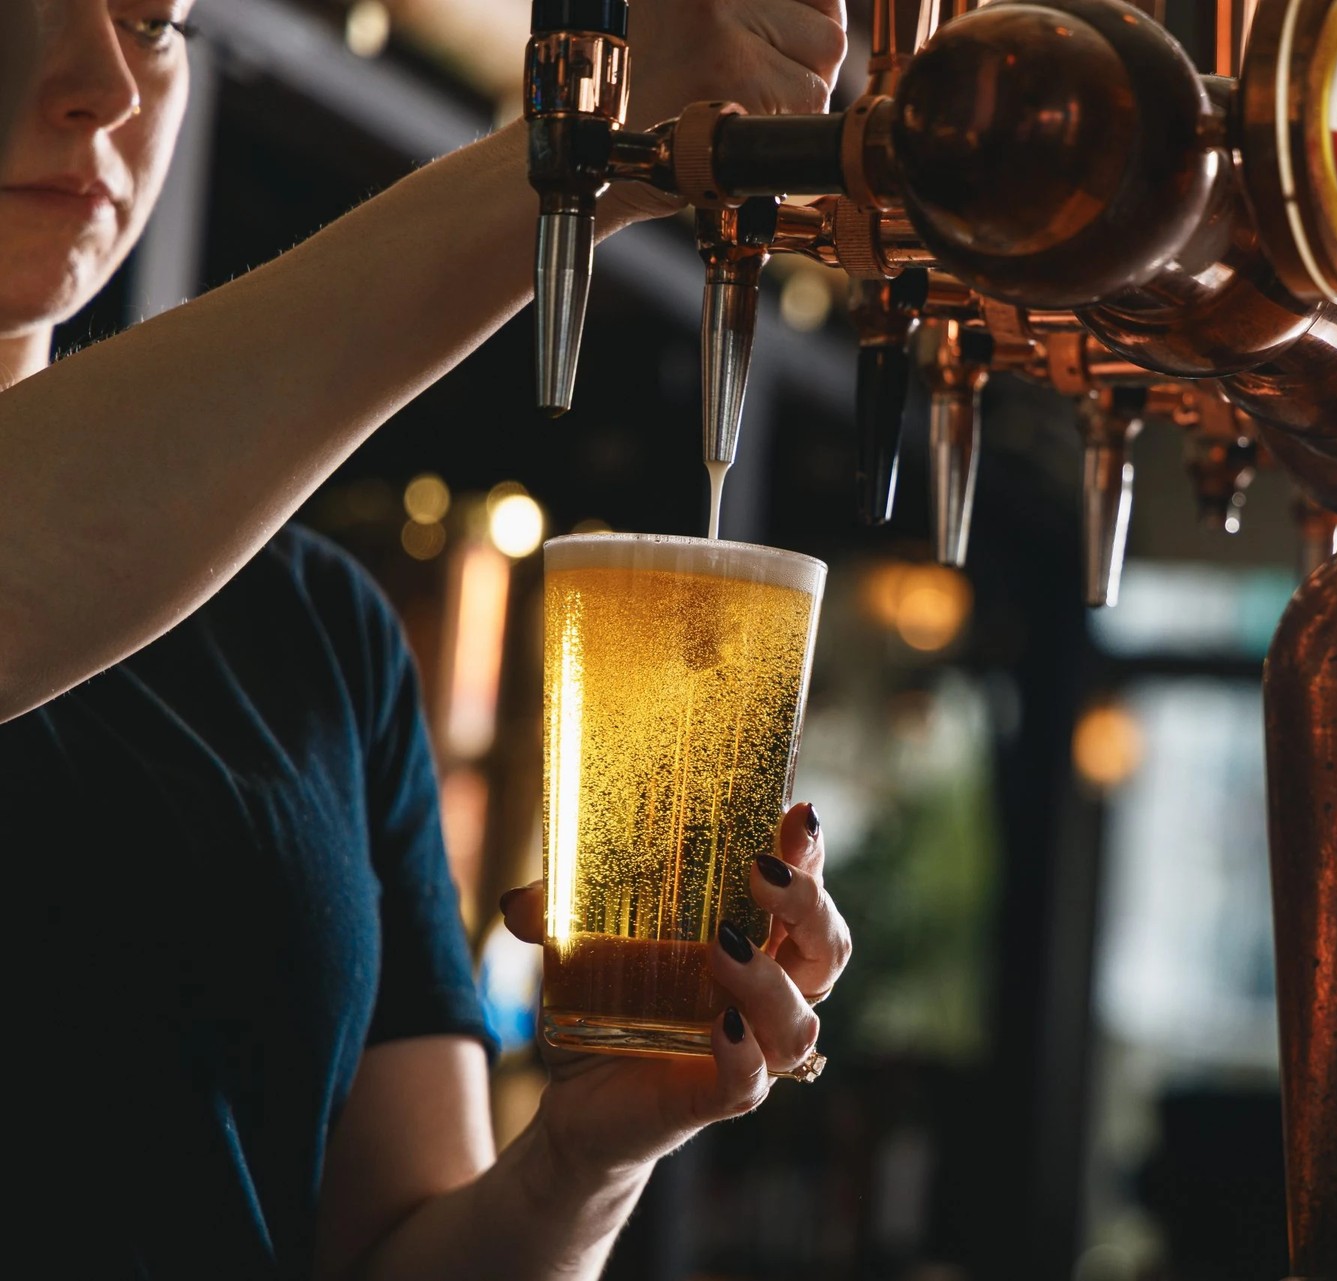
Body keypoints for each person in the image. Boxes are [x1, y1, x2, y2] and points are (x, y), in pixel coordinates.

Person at [2, 2, 854, 1275]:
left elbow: (394, 1252)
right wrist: (577, 155)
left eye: (155, 19)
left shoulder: (319, 631)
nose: (104, 87)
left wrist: (585, 1161)